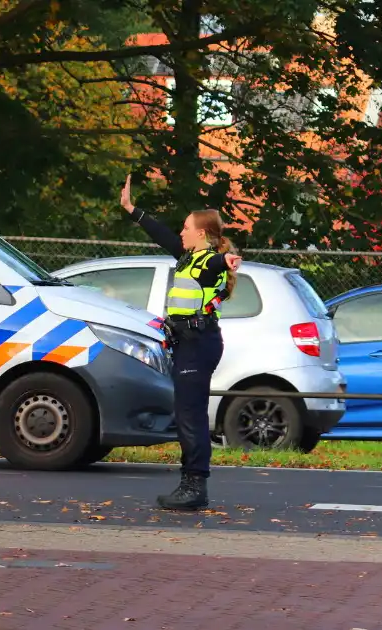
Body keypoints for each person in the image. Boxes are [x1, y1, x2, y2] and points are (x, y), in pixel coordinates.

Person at [120, 174, 243, 510]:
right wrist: (132, 209)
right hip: (188, 343)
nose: (181, 233)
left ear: (201, 233)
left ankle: (194, 486)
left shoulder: (206, 262)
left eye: (187, 228)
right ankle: (192, 482)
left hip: (199, 343)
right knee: (187, 412)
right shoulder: (188, 258)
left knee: (190, 415)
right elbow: (161, 233)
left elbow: (219, 261)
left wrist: (228, 260)